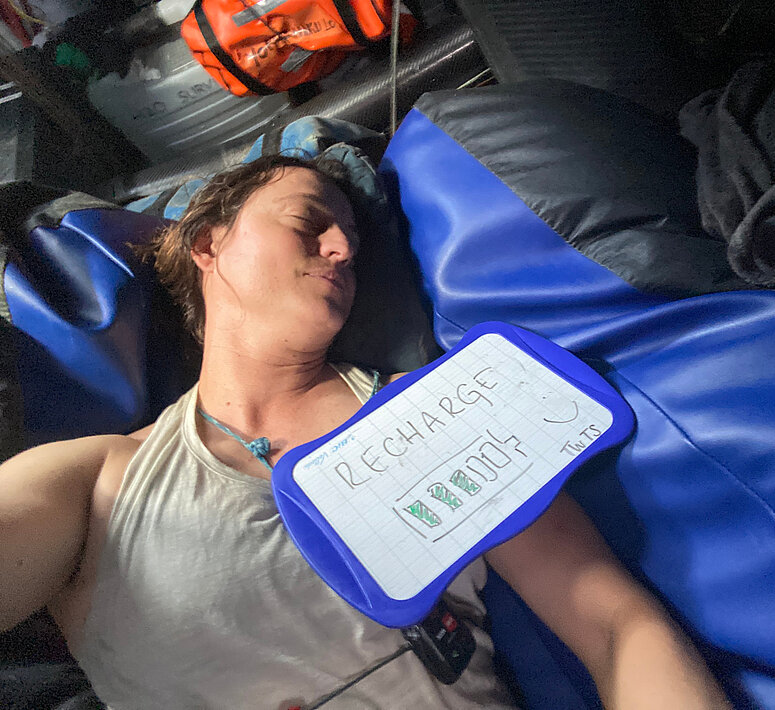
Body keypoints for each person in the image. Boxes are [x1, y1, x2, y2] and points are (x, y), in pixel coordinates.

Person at [0, 153, 731, 709]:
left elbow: (616, 628)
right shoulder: (93, 482)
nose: (342, 249)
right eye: (307, 223)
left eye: (350, 237)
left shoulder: (446, 414)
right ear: (207, 243)